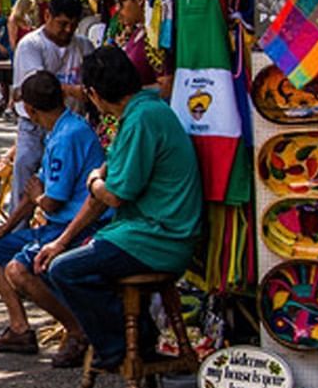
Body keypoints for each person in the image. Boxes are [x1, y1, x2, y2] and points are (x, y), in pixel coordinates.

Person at [13, 45, 204, 370]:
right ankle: (133, 340)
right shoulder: (139, 115)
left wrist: (93, 181)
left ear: (94, 94)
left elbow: (112, 194)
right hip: (141, 232)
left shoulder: (144, 119)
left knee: (66, 270)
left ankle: (119, 347)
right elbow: (100, 197)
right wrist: (59, 242)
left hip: (159, 237)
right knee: (60, 261)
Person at [0, 70, 105, 358]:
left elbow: (49, 202)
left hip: (74, 227)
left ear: (31, 111)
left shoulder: (67, 136)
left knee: (19, 270)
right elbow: (35, 191)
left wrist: (37, 197)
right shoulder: (59, 130)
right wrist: (5, 228)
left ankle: (77, 330)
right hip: (55, 224)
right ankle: (19, 328)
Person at [7, 0, 87, 206]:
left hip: (71, 125)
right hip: (35, 126)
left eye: (73, 24)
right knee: (26, 169)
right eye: (62, 24)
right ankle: (17, 232)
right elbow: (39, 89)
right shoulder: (31, 45)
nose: (68, 30)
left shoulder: (83, 45)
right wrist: (75, 91)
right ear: (47, 17)